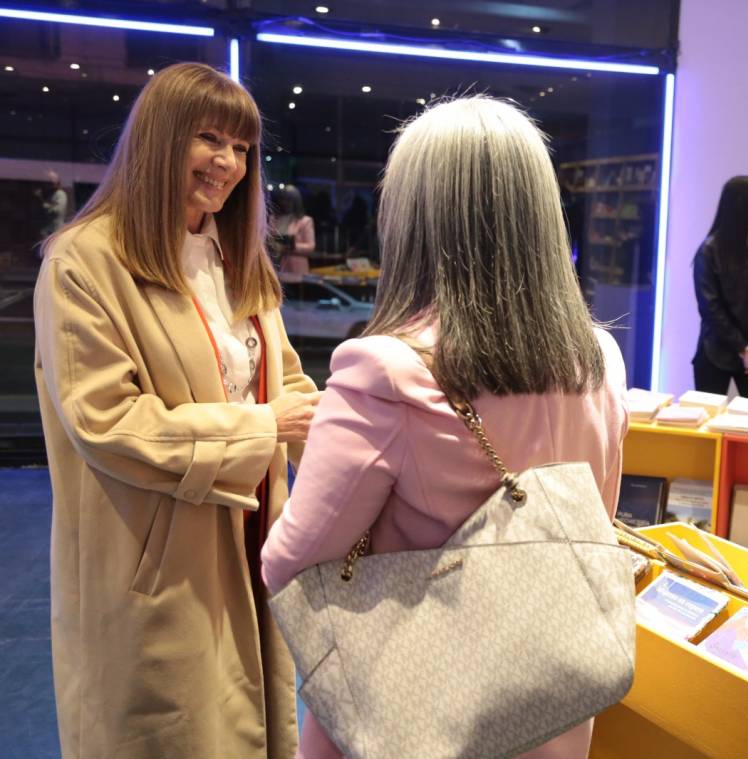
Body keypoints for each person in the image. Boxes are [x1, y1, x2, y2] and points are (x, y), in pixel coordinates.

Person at [260, 96, 629, 759]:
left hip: (420, 707)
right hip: (554, 704)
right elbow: (594, 518)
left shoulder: (386, 370)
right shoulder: (600, 359)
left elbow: (290, 559)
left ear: (414, 219)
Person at [33, 63, 320, 758]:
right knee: (170, 731)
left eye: (242, 147)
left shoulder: (238, 257)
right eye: (210, 138)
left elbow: (291, 388)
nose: (228, 162)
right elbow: (109, 422)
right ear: (162, 140)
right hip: (157, 566)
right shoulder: (84, 262)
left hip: (255, 543)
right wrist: (263, 427)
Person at [692, 176, 748, 401]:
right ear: (745, 203)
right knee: (709, 425)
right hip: (716, 353)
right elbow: (710, 308)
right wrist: (744, 349)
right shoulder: (710, 250)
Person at [270, 184, 316, 274]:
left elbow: (310, 247)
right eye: (282, 199)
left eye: (288, 200)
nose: (284, 203)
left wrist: (291, 246)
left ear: (296, 201)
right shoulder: (273, 218)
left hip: (295, 270)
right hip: (274, 266)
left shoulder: (305, 221)